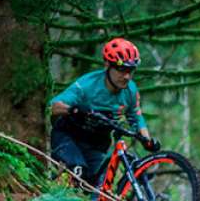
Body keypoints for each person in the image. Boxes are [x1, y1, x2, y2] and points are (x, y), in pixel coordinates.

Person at [48, 37, 161, 184]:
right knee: (77, 171)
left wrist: (147, 140)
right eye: (121, 70)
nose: (126, 76)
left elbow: (136, 117)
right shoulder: (87, 85)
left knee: (98, 189)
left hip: (97, 143)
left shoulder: (130, 90)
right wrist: (74, 109)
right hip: (69, 137)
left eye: (130, 70)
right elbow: (52, 107)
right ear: (107, 65)